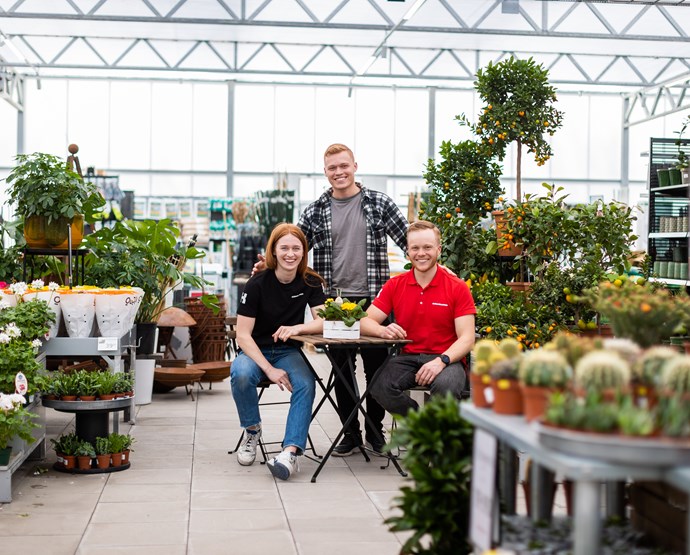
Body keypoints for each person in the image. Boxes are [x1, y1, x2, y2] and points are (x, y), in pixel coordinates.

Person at [297, 143, 409, 455]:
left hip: (376, 302)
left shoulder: (379, 203)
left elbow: (409, 240)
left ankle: (375, 432)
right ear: (325, 172)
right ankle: (351, 435)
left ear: (355, 166)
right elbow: (292, 247)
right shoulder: (316, 210)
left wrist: (439, 266)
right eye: (332, 168)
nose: (339, 172)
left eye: (343, 166)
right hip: (334, 305)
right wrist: (265, 265)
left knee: (378, 369)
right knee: (342, 373)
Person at [231, 223, 326, 480]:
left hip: (287, 351)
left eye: (296, 248)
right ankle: (252, 431)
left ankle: (290, 452)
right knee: (240, 373)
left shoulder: (310, 281)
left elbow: (323, 320)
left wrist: (296, 328)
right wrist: (269, 369)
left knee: (306, 383)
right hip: (256, 349)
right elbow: (242, 335)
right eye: (284, 247)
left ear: (303, 252)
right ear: (273, 250)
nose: (290, 254)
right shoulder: (257, 284)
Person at [361, 220, 476, 415]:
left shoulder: (457, 287)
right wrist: (383, 330)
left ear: (438, 250)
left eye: (427, 247)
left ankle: (430, 440)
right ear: (407, 251)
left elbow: (467, 338)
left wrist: (442, 360)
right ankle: (420, 429)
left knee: (446, 387)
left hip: (448, 359)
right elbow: (364, 321)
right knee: (379, 386)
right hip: (408, 358)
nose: (421, 253)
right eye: (415, 248)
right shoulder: (395, 285)